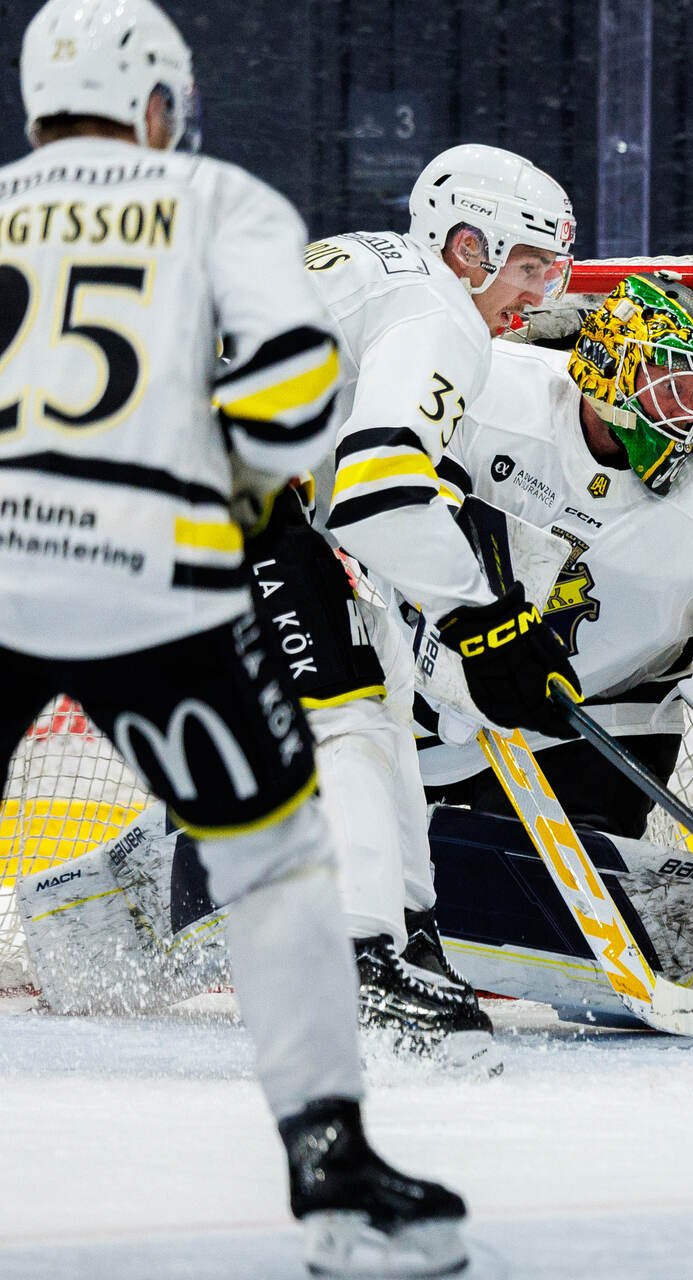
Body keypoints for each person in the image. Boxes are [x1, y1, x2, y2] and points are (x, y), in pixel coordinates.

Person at [0, 1, 467, 1272]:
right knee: (272, 861)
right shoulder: (218, 201)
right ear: (157, 99)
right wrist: (254, 486)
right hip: (148, 573)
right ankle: (332, 1163)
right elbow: (286, 387)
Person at [259, 144, 582, 1062]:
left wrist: (465, 622)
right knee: (350, 708)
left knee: (381, 685)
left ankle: (408, 933)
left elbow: (345, 490)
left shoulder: (387, 275)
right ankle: (361, 960)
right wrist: (487, 624)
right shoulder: (442, 314)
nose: (538, 294)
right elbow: (378, 488)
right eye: (527, 266)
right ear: (467, 245)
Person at [414, 274, 693, 854]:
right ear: (610, 370)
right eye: (674, 387)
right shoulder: (493, 392)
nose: (689, 412)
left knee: (544, 881)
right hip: (425, 694)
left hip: (597, 721)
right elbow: (400, 492)